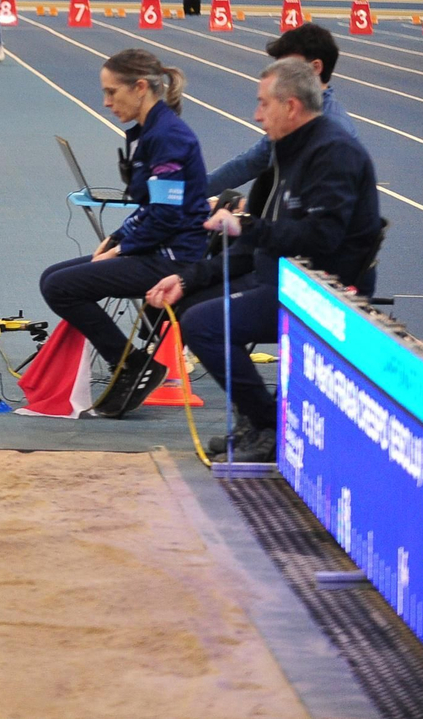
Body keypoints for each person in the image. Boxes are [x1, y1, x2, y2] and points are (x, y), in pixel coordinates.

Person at [146, 58, 383, 462]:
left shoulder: (334, 152)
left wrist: (245, 226)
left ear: (291, 107)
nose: (257, 116)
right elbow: (253, 243)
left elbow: (321, 238)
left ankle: (270, 424)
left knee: (203, 324)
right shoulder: (286, 152)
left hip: (326, 290)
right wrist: (187, 278)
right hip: (283, 276)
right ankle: (257, 421)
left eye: (263, 105)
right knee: (187, 303)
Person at [39, 49, 210, 417]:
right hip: (155, 248)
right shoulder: (148, 132)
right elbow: (151, 207)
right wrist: (117, 237)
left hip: (174, 259)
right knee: (53, 277)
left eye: (112, 92)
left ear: (140, 87)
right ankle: (131, 362)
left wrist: (122, 249)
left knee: (59, 287)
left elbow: (165, 216)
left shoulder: (168, 137)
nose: (106, 102)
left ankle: (133, 365)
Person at [206, 23, 358, 197]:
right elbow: (249, 163)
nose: (277, 76)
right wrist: (189, 192)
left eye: (287, 69)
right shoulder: (294, 118)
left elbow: (318, 210)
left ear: (316, 68)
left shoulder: (334, 134)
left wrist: (244, 209)